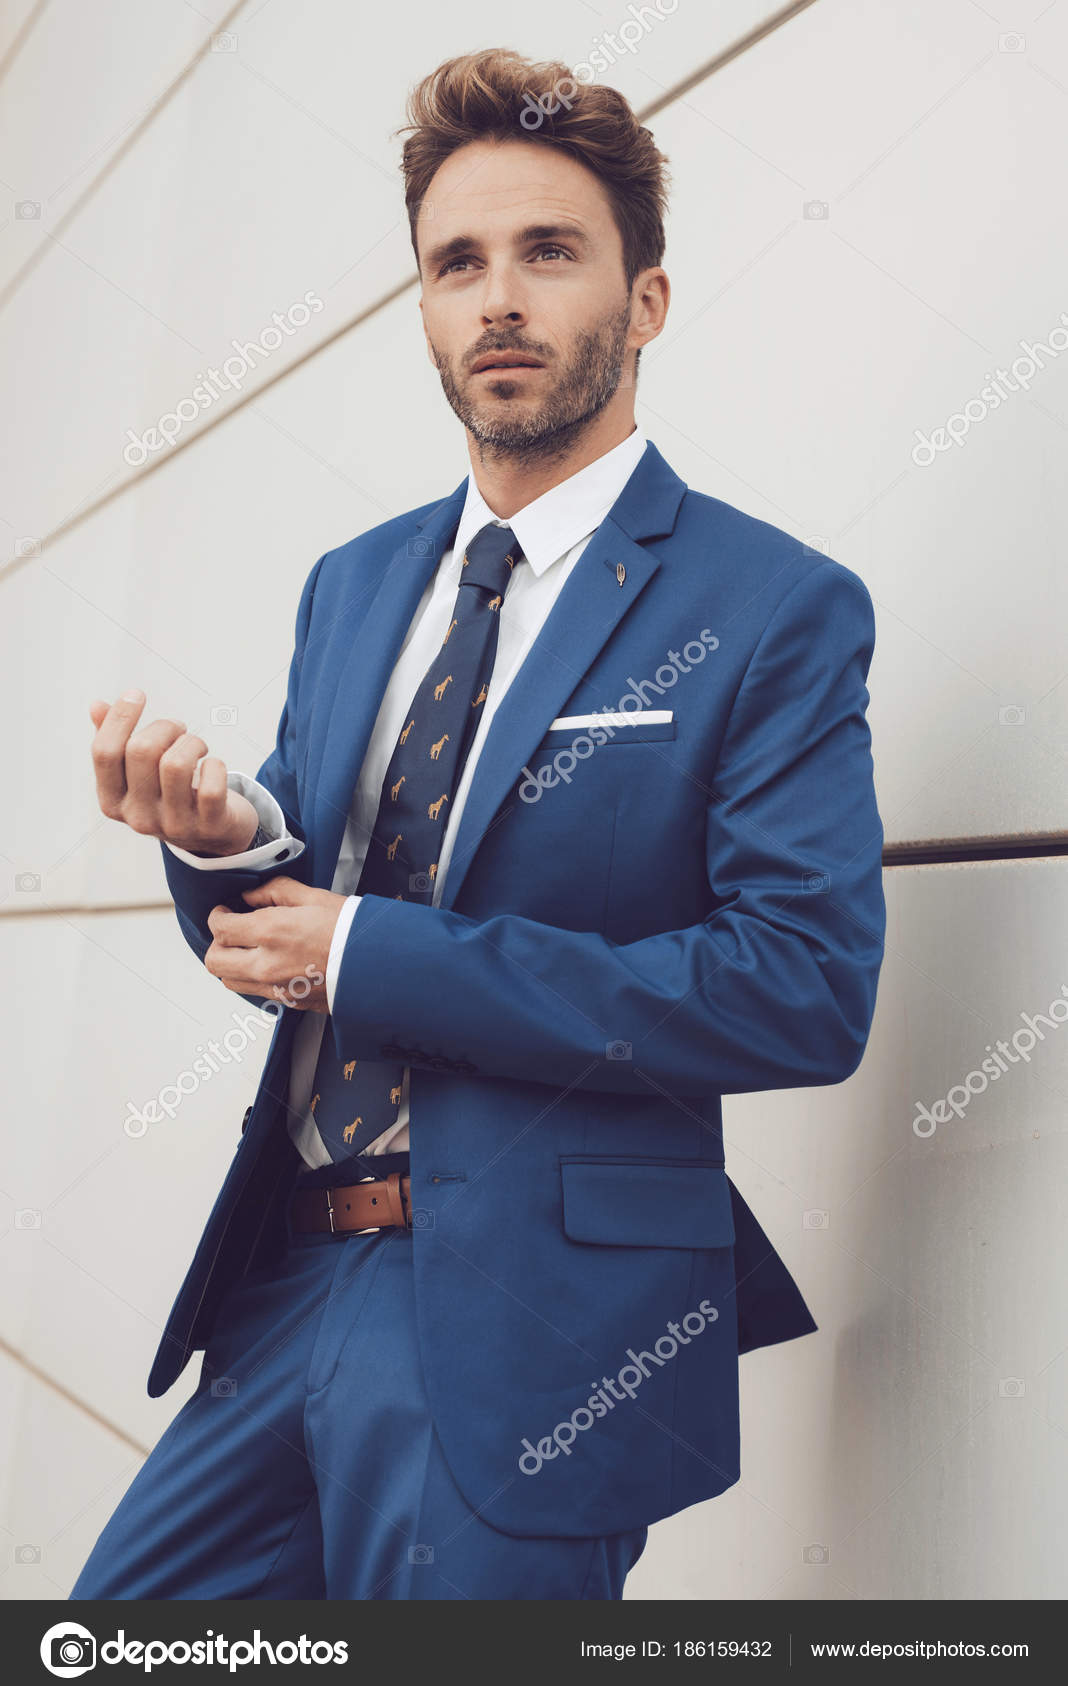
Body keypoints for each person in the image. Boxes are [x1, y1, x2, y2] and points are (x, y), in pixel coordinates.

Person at [72, 47, 885, 1602]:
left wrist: (380, 954)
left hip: (530, 1317)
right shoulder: (356, 581)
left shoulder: (767, 605)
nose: (498, 297)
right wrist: (221, 842)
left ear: (645, 300)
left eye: (549, 252)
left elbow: (801, 986)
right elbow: (294, 924)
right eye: (459, 263)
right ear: (427, 309)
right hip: (284, 1272)